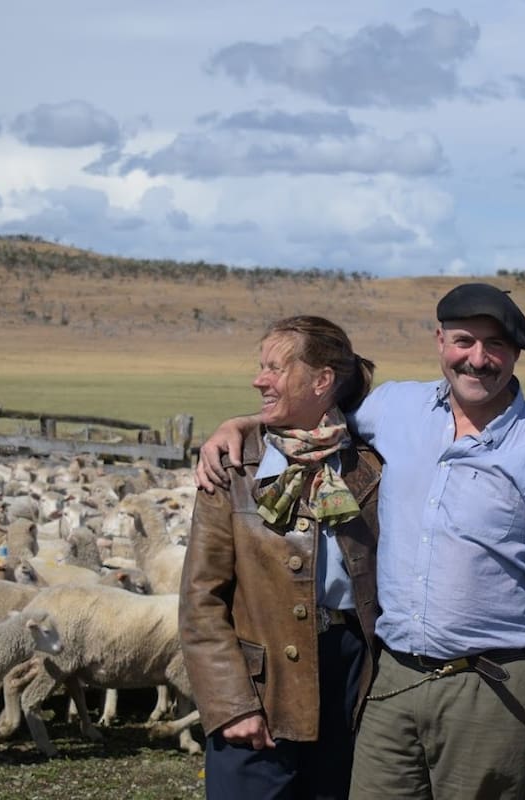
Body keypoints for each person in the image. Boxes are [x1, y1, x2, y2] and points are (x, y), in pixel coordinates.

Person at [197, 283, 525, 800]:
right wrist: (243, 424)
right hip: (393, 679)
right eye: (464, 341)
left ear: (516, 355)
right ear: (440, 341)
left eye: (496, 346)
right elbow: (317, 415)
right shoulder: (395, 407)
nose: (478, 359)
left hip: (490, 684)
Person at [179, 315, 382, 800]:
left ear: (322, 380)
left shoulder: (368, 466)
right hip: (260, 684)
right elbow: (201, 600)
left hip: (349, 681)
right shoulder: (234, 469)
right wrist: (232, 703)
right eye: (261, 367)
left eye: (274, 368)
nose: (258, 380)